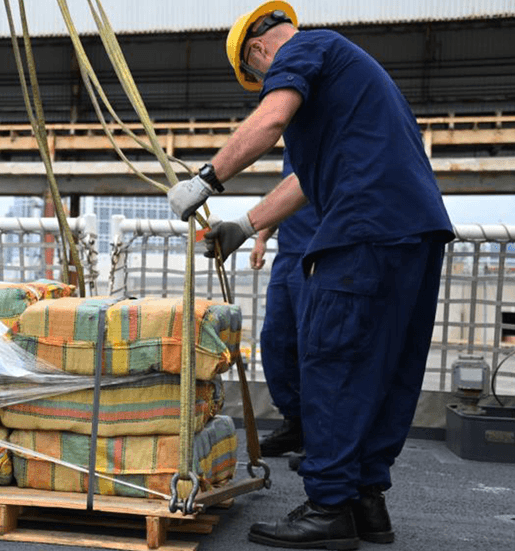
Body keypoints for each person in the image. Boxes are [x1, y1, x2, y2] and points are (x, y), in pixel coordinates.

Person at [167, 2, 454, 549]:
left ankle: (327, 506)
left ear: (258, 51)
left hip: (363, 230)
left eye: (257, 78)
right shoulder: (349, 78)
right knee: (385, 368)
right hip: (416, 232)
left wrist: (206, 179)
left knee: (332, 362)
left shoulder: (303, 48)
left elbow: (271, 120)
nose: (266, 84)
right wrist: (244, 226)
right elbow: (303, 180)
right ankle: (366, 501)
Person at [250, 152, 318, 463]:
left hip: (317, 254)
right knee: (274, 340)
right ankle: (295, 422)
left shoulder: (329, 134)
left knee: (313, 345)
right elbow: (287, 194)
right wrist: (262, 236)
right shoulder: (293, 146)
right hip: (287, 255)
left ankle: (319, 433)